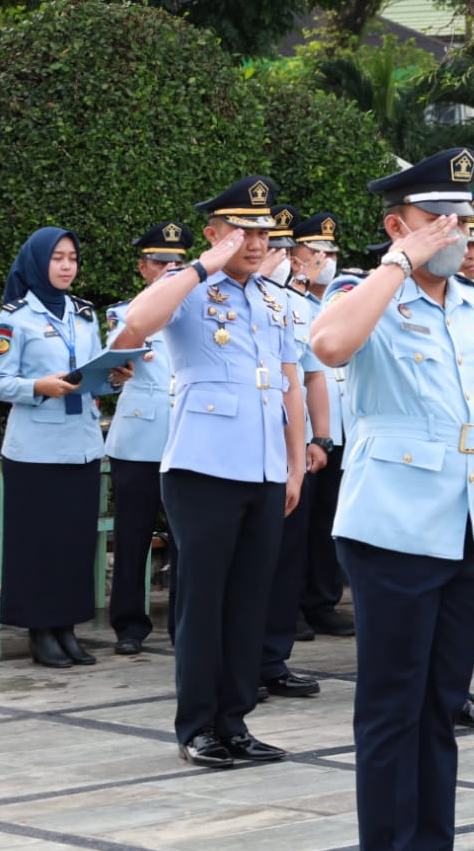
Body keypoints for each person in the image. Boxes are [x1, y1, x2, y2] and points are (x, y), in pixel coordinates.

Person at [310, 147, 474, 851]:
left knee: (441, 706)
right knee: (391, 706)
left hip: (462, 528)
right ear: (397, 225)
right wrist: (398, 262)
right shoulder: (372, 294)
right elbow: (327, 347)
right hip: (391, 526)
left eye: (462, 218)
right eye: (436, 219)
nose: (455, 232)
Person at [124, 175, 305, 768]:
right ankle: (197, 725)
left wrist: (296, 462)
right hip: (202, 468)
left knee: (250, 600)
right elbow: (136, 326)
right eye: (240, 230)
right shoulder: (189, 290)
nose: (254, 242)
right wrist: (201, 268)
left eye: (263, 230)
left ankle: (234, 721)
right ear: (213, 233)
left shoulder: (273, 300)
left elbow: (290, 383)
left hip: (263, 468)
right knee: (202, 602)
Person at [0, 226, 118, 668]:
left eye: (72, 258)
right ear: (37, 262)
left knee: (72, 543)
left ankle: (66, 628)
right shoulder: (14, 317)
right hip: (35, 449)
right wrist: (38, 387)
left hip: (82, 444)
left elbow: (92, 371)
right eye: (57, 258)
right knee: (37, 544)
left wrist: (114, 376)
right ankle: (39, 631)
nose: (67, 266)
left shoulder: (84, 314)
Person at [104, 222, 187, 656]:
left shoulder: (202, 311)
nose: (170, 269)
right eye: (160, 262)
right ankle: (128, 625)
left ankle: (182, 623)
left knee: (186, 539)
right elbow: (112, 365)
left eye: (178, 262)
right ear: (143, 268)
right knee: (133, 533)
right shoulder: (125, 312)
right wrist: (117, 375)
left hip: (187, 439)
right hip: (138, 437)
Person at [257, 206, 328, 698]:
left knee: (285, 560)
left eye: (283, 248)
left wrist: (317, 440)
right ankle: (237, 662)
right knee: (248, 564)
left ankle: (272, 658)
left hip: (290, 450)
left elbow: (311, 375)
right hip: (244, 448)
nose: (280, 257)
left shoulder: (298, 306)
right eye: (275, 247)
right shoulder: (220, 298)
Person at [292, 212, 356, 639]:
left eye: (329, 252)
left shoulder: (342, 298)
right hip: (304, 430)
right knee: (297, 521)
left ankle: (322, 600)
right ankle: (291, 602)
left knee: (328, 521)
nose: (323, 259)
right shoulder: (289, 299)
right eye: (314, 252)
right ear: (295, 256)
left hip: (342, 427)